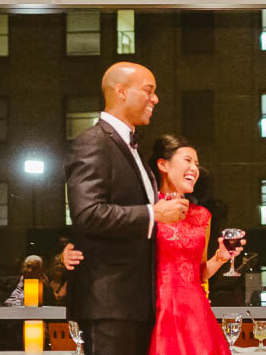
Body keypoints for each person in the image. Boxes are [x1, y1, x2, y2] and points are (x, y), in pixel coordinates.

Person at [64, 62, 188, 355]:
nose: (155, 99)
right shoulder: (91, 142)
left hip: (137, 304)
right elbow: (87, 214)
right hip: (110, 303)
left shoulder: (134, 151)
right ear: (120, 92)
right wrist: (152, 214)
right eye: (149, 91)